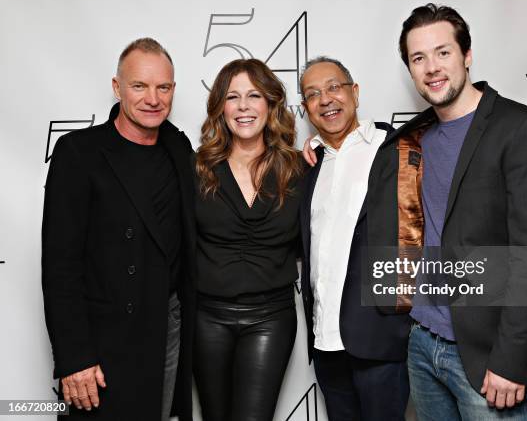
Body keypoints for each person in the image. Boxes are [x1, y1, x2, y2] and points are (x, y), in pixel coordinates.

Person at [367, 4, 527, 420]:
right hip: (421, 344)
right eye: (418, 58)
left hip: (486, 357)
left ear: (467, 55)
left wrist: (512, 361)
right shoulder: (415, 139)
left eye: (443, 52)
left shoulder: (523, 129)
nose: (431, 68)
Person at [42, 38, 196, 420]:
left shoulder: (179, 148)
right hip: (102, 339)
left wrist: (313, 149)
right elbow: (60, 266)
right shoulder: (79, 152)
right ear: (117, 87)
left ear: (173, 90)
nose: (153, 98)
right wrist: (74, 357)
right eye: (139, 86)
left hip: (165, 328)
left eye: (163, 87)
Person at [299, 56, 410, 421]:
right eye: (313, 94)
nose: (325, 99)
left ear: (355, 92)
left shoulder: (396, 149)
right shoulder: (309, 166)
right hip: (325, 341)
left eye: (334, 87)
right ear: (306, 109)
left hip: (379, 338)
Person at [193, 58, 304, 421]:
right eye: (233, 96)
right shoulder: (197, 168)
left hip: (271, 317)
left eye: (254, 95)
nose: (243, 106)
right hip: (206, 318)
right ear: (220, 108)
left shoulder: (298, 168)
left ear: (270, 104)